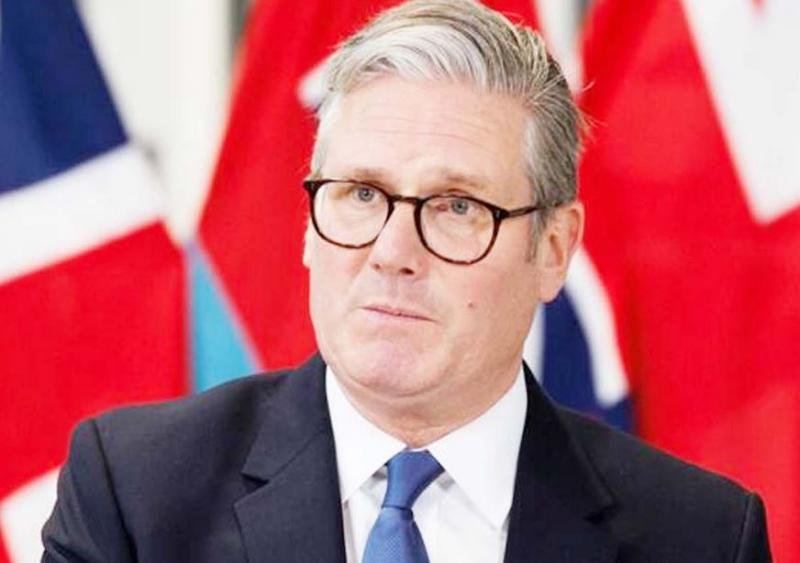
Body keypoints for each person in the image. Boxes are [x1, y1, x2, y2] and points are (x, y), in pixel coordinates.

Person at [42, 0, 771, 561]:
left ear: (553, 248)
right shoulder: (135, 492)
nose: (392, 251)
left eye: (457, 206)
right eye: (361, 194)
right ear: (308, 225)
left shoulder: (701, 536)